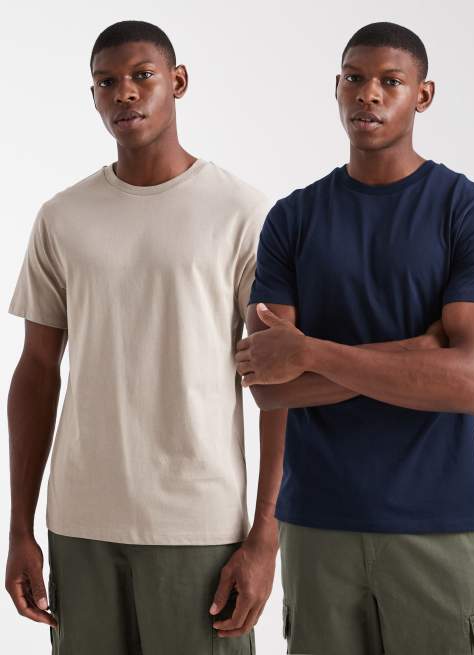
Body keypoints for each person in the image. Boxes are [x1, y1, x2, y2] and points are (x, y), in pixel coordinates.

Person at [239, 21, 474, 655]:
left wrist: (310, 352)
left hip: (437, 526)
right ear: (336, 88)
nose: (369, 94)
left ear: (424, 95)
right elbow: (269, 387)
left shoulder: (468, 211)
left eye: (391, 81)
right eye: (354, 79)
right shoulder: (293, 218)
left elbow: (472, 385)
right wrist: (420, 354)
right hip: (316, 527)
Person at [5, 19, 277, 654]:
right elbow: (36, 370)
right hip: (80, 523)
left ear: (177, 82)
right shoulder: (63, 217)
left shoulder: (242, 212)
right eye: (106, 83)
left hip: (199, 524)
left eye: (141, 76)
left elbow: (280, 382)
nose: (124, 92)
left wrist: (265, 534)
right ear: (93, 97)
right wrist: (19, 527)